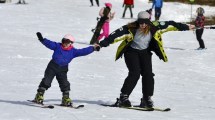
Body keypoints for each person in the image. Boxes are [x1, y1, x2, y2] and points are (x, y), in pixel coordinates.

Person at [98, 11, 195, 108]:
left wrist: (186, 27)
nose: (143, 25)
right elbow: (114, 36)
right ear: (138, 21)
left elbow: (171, 24)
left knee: (148, 74)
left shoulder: (155, 26)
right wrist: (100, 44)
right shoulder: (130, 28)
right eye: (141, 22)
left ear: (149, 21)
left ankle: (146, 98)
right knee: (135, 73)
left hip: (145, 52)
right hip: (131, 52)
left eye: (145, 22)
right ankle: (123, 98)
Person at [33, 32, 100, 106]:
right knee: (47, 80)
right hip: (52, 66)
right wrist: (42, 39)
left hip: (63, 69)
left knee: (64, 83)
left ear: (71, 43)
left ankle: (65, 98)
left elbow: (83, 51)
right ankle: (39, 95)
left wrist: (93, 48)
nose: (65, 43)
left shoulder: (73, 51)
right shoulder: (57, 46)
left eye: (67, 42)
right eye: (63, 41)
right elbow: (49, 43)